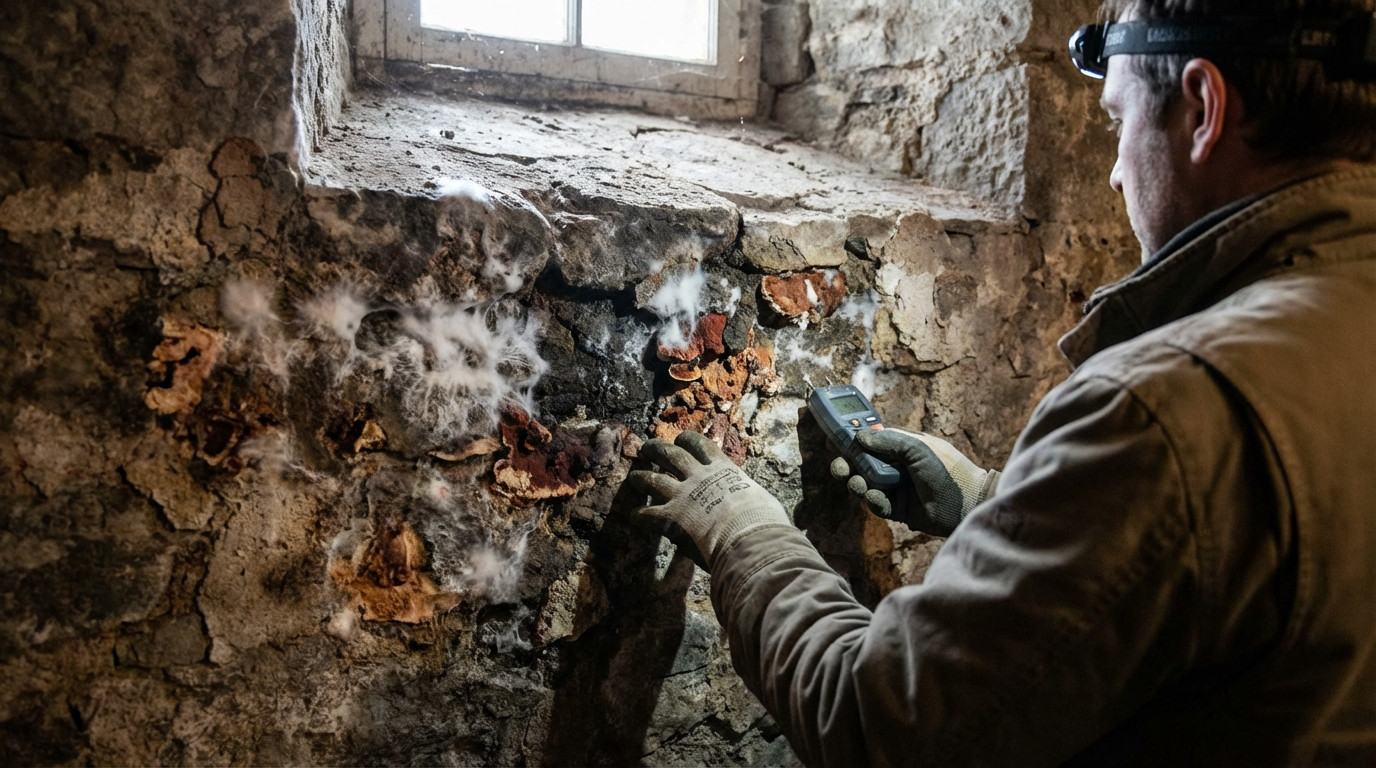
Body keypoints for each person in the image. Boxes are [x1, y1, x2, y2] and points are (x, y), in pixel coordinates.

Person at [626, 0, 1376, 764]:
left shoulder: (1164, 410)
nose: (1115, 174)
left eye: (1119, 122)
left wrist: (748, 539)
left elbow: (880, 723)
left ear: (1204, 108)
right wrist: (994, 501)